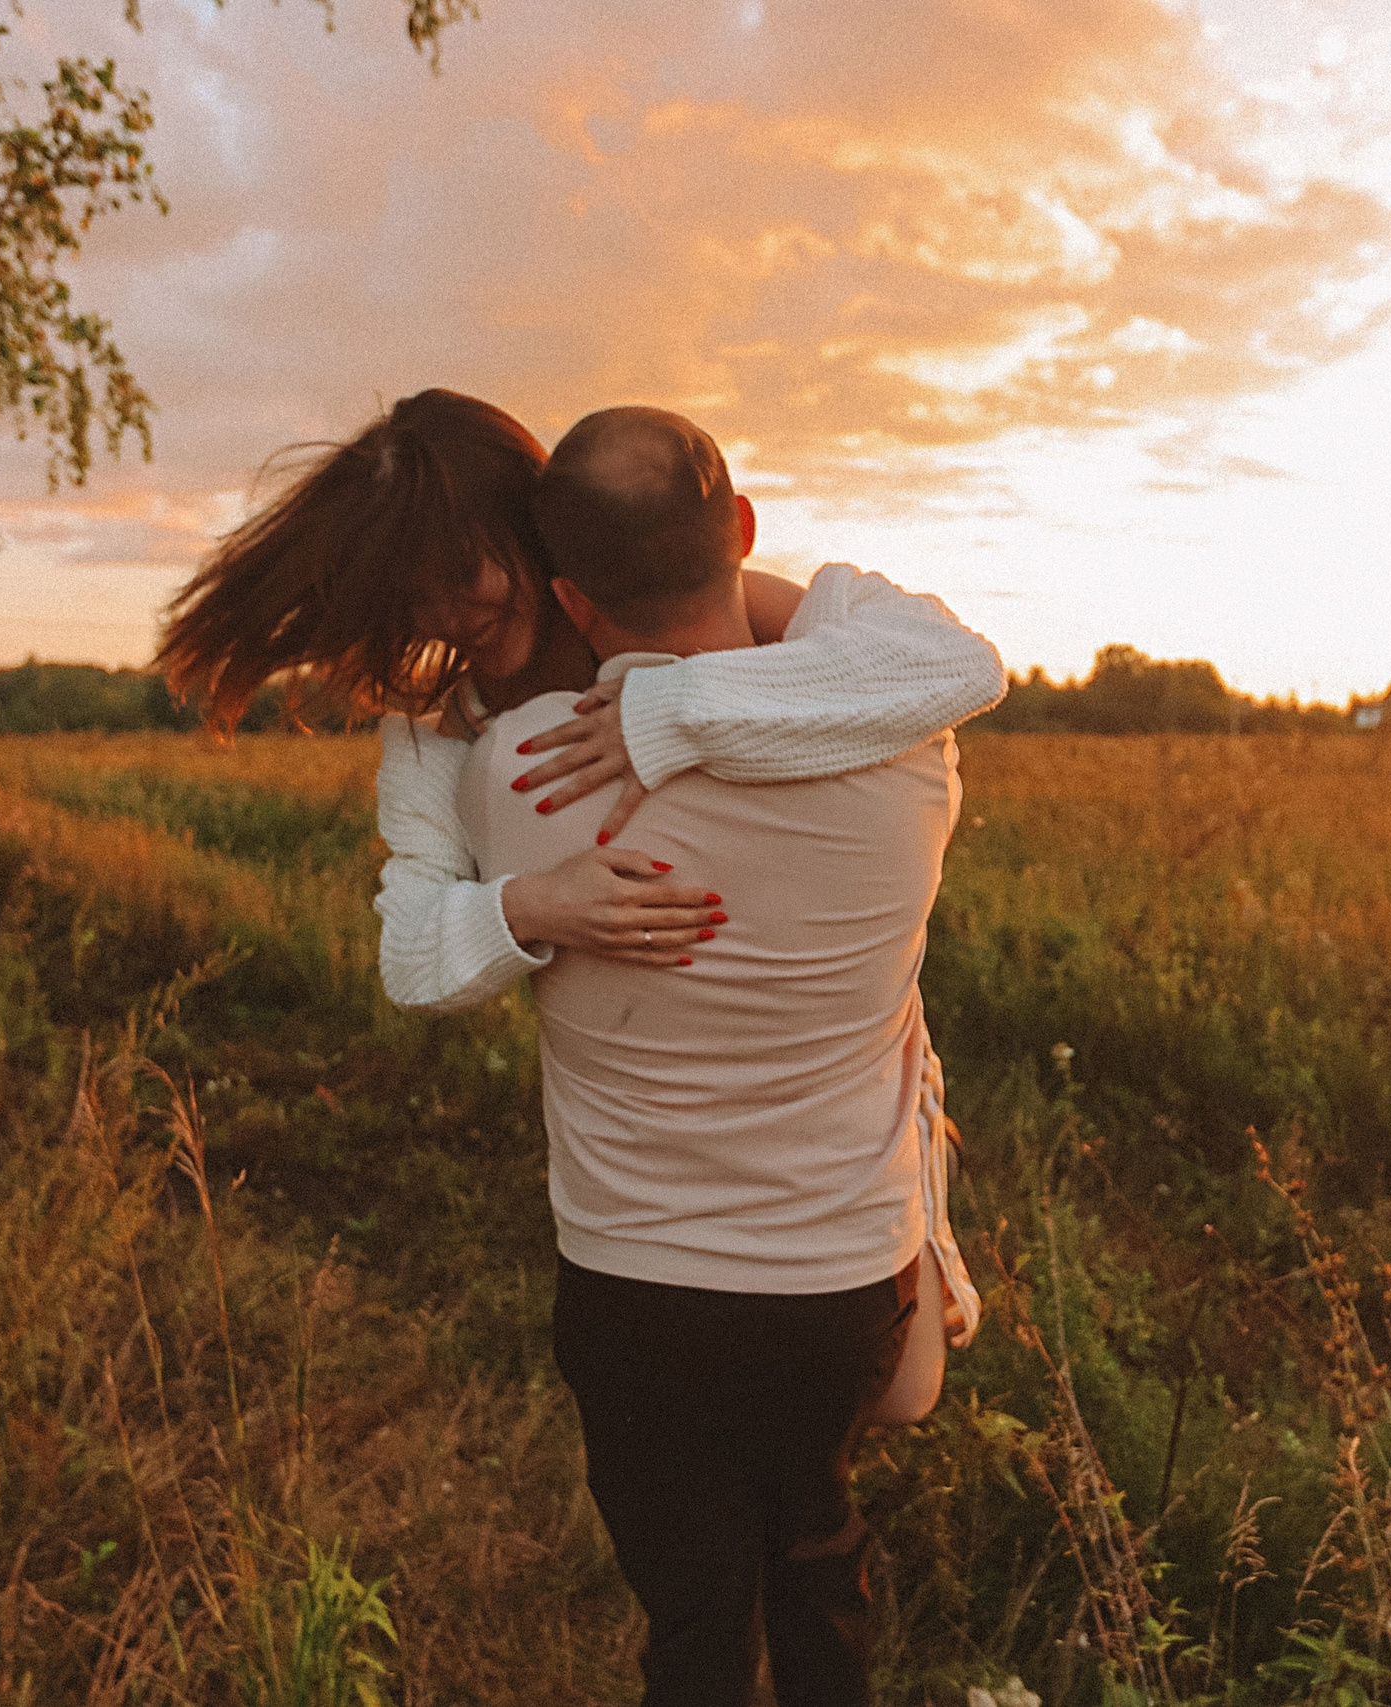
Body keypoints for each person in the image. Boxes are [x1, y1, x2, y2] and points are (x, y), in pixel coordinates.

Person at [458, 406, 983, 1705]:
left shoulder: (518, 772)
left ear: (570, 594)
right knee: (819, 1552)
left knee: (692, 1616)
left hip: (636, 1289)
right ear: (742, 532)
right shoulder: (913, 748)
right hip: (840, 1279)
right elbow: (921, 651)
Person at [157, 388, 1005, 1001]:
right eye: (414, 600)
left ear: (528, 529)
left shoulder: (703, 611)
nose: (452, 619)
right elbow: (408, 958)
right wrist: (533, 904)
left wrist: (664, 710)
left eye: (461, 573)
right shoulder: (438, 735)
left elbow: (949, 668)